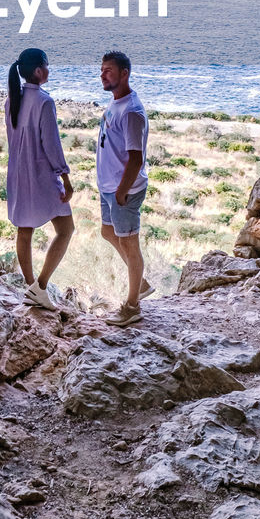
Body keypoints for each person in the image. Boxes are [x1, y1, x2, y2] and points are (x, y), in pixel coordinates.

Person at [5, 47, 74, 310]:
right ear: (38, 70)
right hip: (41, 175)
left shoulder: (12, 99)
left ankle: (30, 285)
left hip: (18, 172)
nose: (49, 69)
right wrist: (66, 179)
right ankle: (41, 286)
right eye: (47, 65)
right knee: (66, 230)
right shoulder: (45, 102)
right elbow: (52, 146)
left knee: (25, 229)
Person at [97, 49, 154, 326]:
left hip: (123, 189)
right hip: (109, 187)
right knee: (108, 232)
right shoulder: (116, 103)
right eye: (102, 70)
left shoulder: (132, 111)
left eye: (108, 70)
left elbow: (135, 158)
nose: (102, 75)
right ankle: (139, 281)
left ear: (124, 73)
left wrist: (121, 191)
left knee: (130, 245)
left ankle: (132, 306)